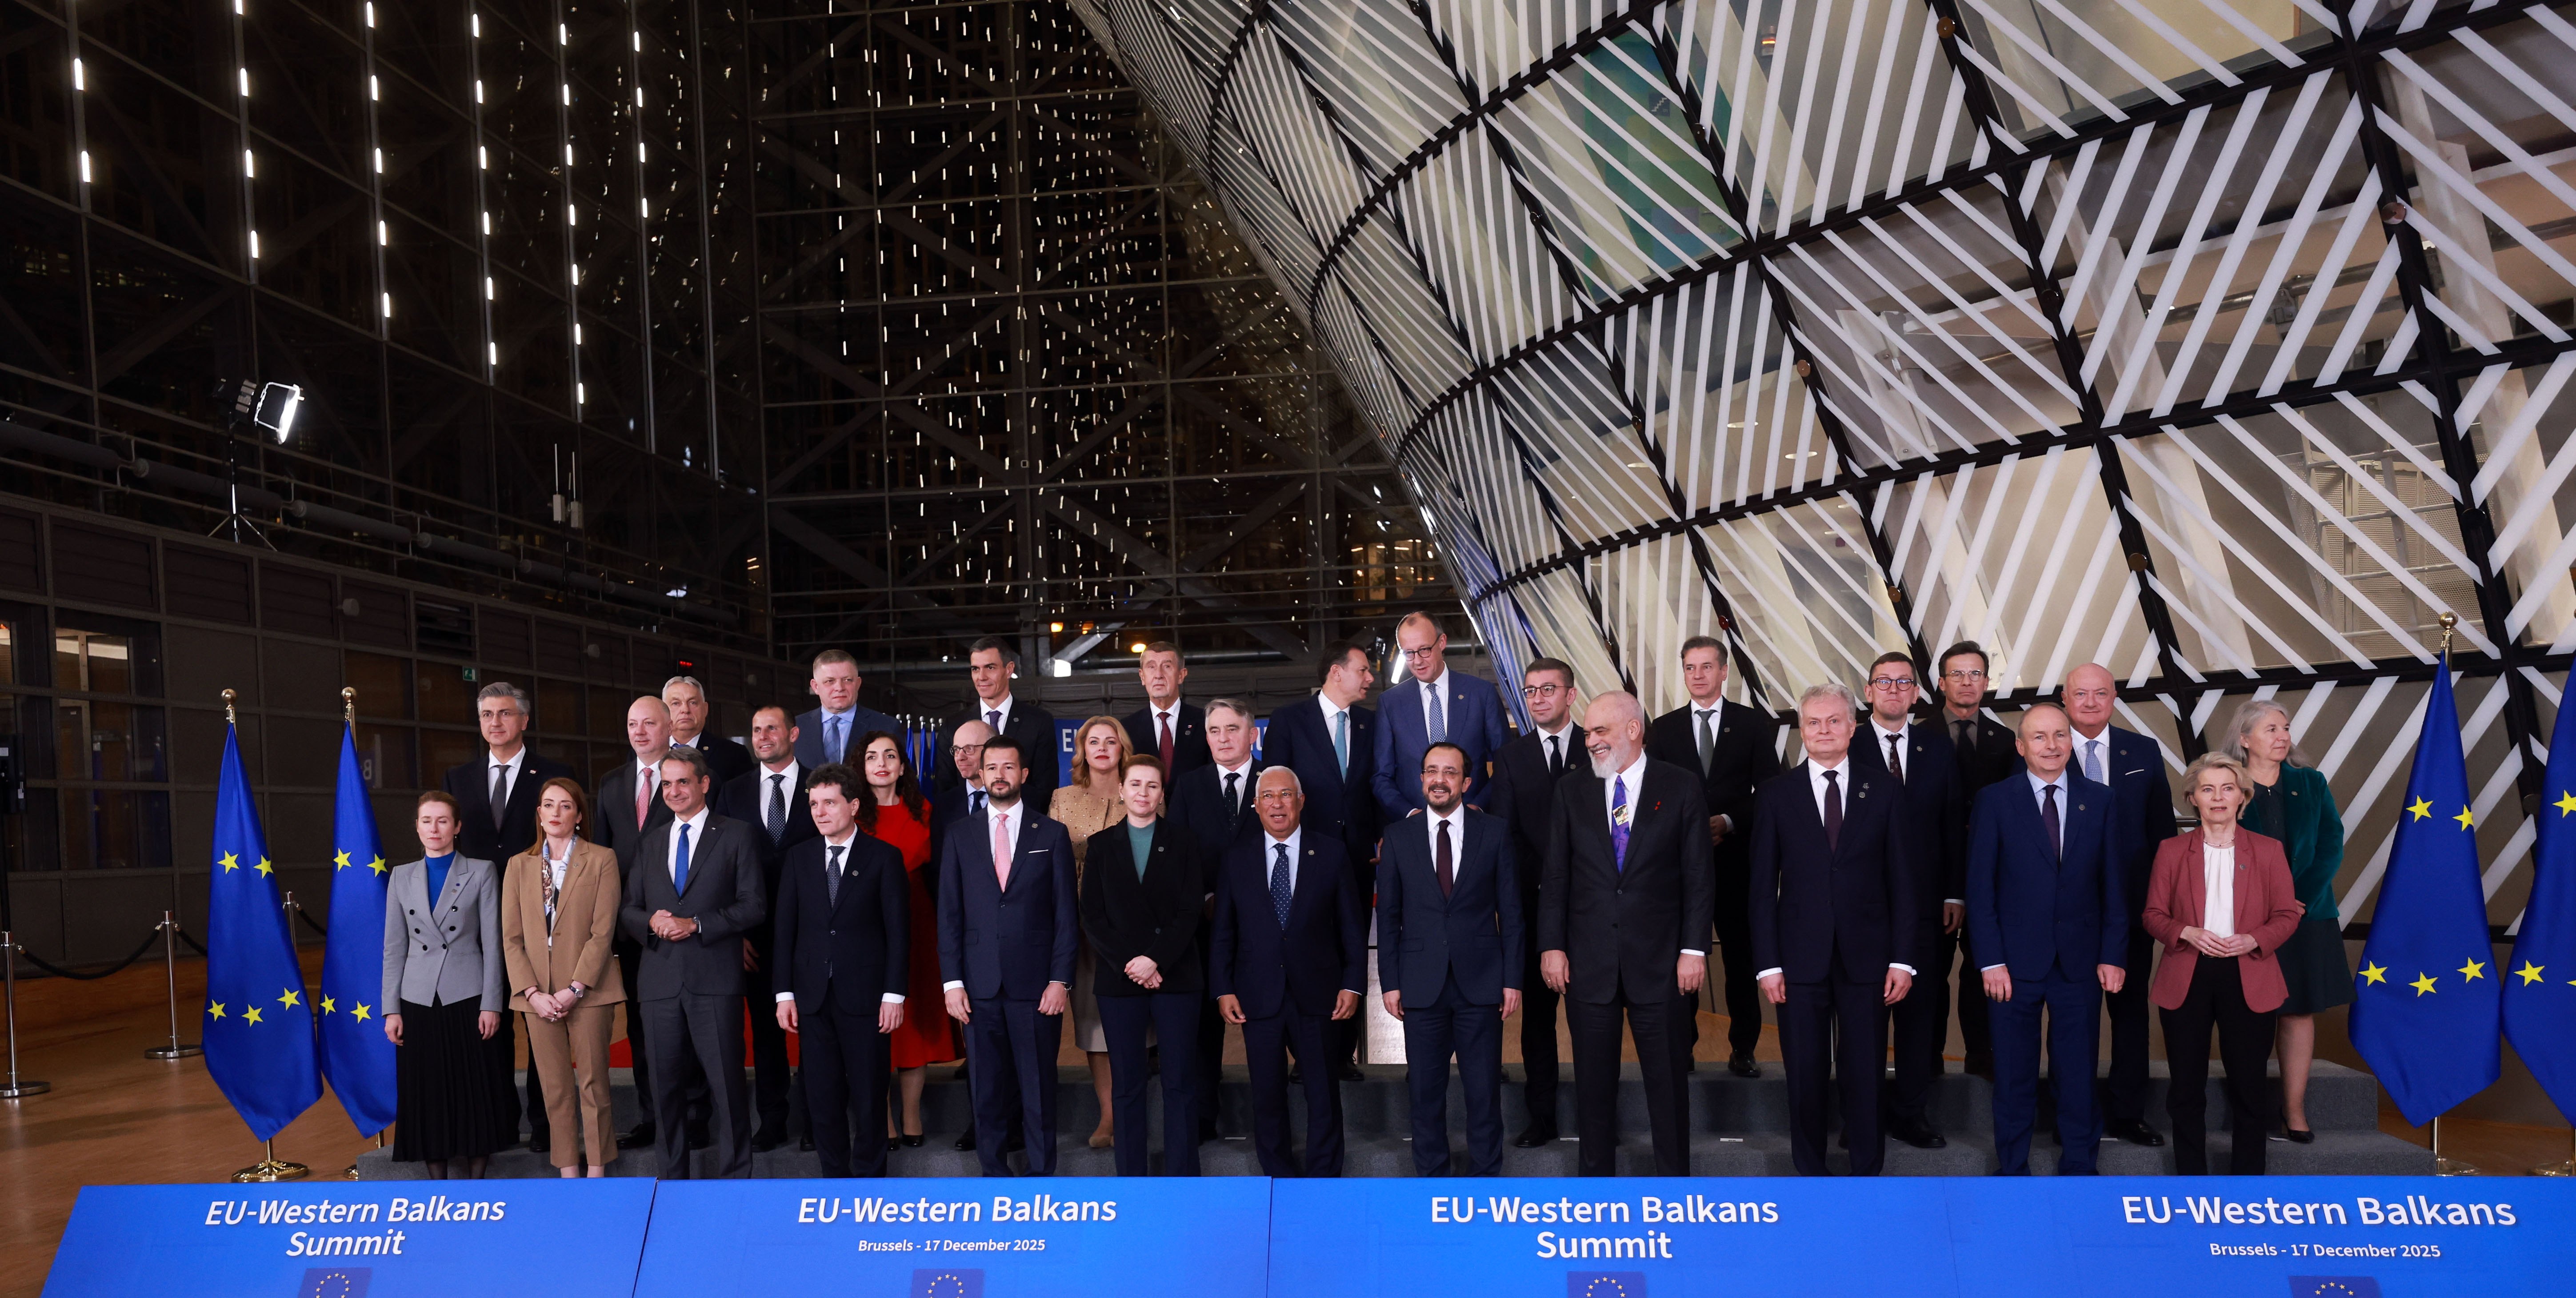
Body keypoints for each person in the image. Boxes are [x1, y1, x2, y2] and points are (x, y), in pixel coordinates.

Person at [1539, 692, 1713, 1177]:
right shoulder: (1571, 790)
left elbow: (1699, 876)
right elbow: (1556, 876)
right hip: (1589, 964)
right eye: (1588, 733)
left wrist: (1694, 948)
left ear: (1634, 730)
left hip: (1662, 965)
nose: (1591, 741)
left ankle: (1675, 1190)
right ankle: (1596, 1193)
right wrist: (1552, 945)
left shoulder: (1680, 786)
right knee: (1593, 1089)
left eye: (1601, 731)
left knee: (1668, 1086)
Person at [1748, 683, 1918, 1176]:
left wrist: (1903, 959)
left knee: (1865, 1071)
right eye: (1814, 722)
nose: (1824, 730)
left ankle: (1866, 1172)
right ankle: (1811, 1172)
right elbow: (1761, 887)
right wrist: (1768, 964)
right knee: (1804, 1071)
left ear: (1852, 727)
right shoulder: (1776, 794)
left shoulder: (1884, 789)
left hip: (1870, 958)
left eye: (1834, 721)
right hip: (1797, 959)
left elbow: (1905, 881)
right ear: (1802, 730)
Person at [1965, 703, 2127, 1176]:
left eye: (2060, 735)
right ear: (2021, 746)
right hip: (2011, 965)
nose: (2051, 745)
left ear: (2071, 743)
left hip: (2081, 961)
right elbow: (1980, 888)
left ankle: (2079, 1164)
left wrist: (2113, 953)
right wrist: (1990, 960)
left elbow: (2115, 885)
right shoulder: (1995, 800)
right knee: (2013, 1072)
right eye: (2039, 737)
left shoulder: (2101, 800)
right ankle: (2012, 1166)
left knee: (2077, 1072)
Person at [2141, 753, 2302, 1176]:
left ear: (2242, 797)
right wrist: (2186, 932)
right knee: (2186, 1089)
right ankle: (2192, 1181)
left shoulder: (2268, 850)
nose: (2218, 797)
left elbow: (2287, 914)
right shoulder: (2172, 850)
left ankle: (2246, 1185)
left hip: (2250, 972)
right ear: (2193, 798)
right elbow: (2152, 915)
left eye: (2227, 788)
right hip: (2187, 974)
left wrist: (2255, 939)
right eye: (2208, 789)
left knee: (2250, 1087)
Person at [619, 745, 768, 1178]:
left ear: (704, 783)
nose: (674, 791)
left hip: (715, 979)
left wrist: (697, 923)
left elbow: (754, 905)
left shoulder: (737, 834)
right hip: (659, 982)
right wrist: (651, 920)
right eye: (667, 783)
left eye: (683, 781)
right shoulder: (650, 842)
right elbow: (628, 909)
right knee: (665, 1091)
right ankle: (672, 1182)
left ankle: (735, 1181)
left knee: (727, 1087)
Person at [1212, 768, 1366, 1177]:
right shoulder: (1237, 858)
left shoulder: (1331, 853)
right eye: (1268, 796)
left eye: (1285, 794)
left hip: (1319, 994)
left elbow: (1352, 928)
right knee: (1267, 1094)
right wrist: (1223, 988)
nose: (1277, 803)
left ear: (1301, 801)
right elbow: (1224, 931)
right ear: (1255, 805)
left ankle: (1322, 1177)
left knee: (1323, 1092)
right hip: (1257, 995)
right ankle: (1278, 1176)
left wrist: (1353, 983)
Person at [440, 681, 572, 1154]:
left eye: (504, 713)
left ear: (524, 720)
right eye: (486, 714)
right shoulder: (458, 777)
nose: (495, 722)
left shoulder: (554, 774)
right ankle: (497, 1123)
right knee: (489, 1023)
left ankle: (544, 1124)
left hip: (539, 916)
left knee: (541, 1026)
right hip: (477, 922)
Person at [937, 734, 1078, 1177]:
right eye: (992, 767)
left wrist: (1060, 980)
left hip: (1036, 987)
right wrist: (952, 982)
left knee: (1038, 1088)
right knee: (986, 1089)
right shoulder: (959, 834)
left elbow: (1065, 915)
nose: (1000, 775)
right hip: (977, 986)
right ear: (981, 774)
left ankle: (1041, 1175)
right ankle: (993, 1174)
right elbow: (949, 914)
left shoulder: (1051, 833)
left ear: (1025, 774)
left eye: (1009, 766)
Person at [1379, 743, 1521, 1176]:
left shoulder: (1494, 832)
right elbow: (1388, 916)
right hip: (1421, 984)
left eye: (1450, 772)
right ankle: (1432, 1181)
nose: (1439, 780)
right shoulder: (1397, 837)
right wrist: (1390, 982)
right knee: (1425, 1093)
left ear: (1466, 781)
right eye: (1431, 771)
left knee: (1483, 1093)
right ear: (1422, 779)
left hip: (1482, 982)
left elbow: (1512, 912)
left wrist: (1512, 979)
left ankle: (1485, 1179)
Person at [1644, 634, 1780, 1078]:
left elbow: (1771, 791)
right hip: (1679, 870)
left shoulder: (1753, 724)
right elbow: (1652, 795)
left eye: (1707, 666)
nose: (1698, 675)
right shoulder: (1663, 728)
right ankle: (1682, 1047)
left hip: (1738, 864)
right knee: (1682, 959)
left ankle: (1744, 1048)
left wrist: (1730, 819)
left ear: (1724, 672)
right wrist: (1686, 827)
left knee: (1741, 961)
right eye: (1690, 667)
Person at [1847, 651, 1963, 1150]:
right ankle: (1862, 1117)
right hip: (1862, 909)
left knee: (1919, 1017)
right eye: (1884, 681)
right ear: (1868, 692)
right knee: (1863, 1020)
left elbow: (1953, 823)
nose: (1893, 689)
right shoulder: (1847, 744)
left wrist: (1954, 890)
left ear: (1916, 694)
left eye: (1903, 682)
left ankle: (1912, 1113)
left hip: (1926, 907)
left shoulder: (1937, 748)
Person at [772, 763, 910, 1178]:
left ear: (853, 806)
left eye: (829, 803)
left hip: (867, 997)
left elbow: (899, 933)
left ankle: (869, 1180)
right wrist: (784, 993)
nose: (820, 812)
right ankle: (834, 1179)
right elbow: (785, 930)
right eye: (814, 803)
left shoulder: (884, 857)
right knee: (822, 1095)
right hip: (812, 997)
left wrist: (894, 995)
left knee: (869, 1094)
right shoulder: (798, 858)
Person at [2061, 662, 2177, 1150]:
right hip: (2066, 914)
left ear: (2113, 698)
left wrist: (2160, 903)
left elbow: (2163, 836)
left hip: (2130, 911)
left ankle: (2129, 1114)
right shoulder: (2043, 747)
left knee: (2130, 1016)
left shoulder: (2143, 751)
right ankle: (2075, 1115)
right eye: (2081, 693)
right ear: (2065, 698)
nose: (2090, 702)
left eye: (2101, 693)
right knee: (2074, 1018)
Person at [2224, 698, 2348, 1144]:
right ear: (2245, 739)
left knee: (2298, 1011)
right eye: (2271, 729)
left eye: (2286, 727)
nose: (2283, 736)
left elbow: (2331, 844)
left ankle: (2293, 1110)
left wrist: (2294, 903)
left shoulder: (2310, 782)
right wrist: (2268, 908)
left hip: (2307, 915)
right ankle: (2249, 1112)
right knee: (2251, 1014)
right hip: (2248, 919)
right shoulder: (2227, 785)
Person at [1080, 754, 1205, 1176]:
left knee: (1180, 1082)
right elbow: (1092, 915)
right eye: (1135, 784)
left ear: (1162, 793)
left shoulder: (1185, 841)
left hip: (1176, 974)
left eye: (1152, 785)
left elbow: (1190, 910)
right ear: (1121, 790)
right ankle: (1131, 1178)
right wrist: (1131, 962)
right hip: (1121, 979)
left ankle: (1182, 1176)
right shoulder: (1101, 845)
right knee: (1127, 1084)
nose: (1143, 793)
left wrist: (1155, 959)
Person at [499, 778, 624, 1177]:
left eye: (566, 805)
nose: (556, 812)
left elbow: (603, 932)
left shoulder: (601, 859)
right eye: (549, 805)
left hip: (589, 991)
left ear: (579, 815)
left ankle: (597, 1171)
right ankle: (569, 1172)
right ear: (539, 814)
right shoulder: (518, 865)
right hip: (537, 995)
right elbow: (511, 937)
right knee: (554, 1088)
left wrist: (575, 988)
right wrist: (532, 992)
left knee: (593, 1085)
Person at [381, 791, 508, 1179]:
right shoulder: (401, 875)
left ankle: (475, 1184)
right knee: (427, 1090)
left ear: (457, 827)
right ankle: (439, 1184)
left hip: (467, 993)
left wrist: (492, 1002)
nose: (434, 828)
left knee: (473, 1087)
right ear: (417, 827)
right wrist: (391, 1009)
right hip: (417, 997)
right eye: (426, 820)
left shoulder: (481, 871)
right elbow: (394, 947)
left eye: (442, 821)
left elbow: (494, 942)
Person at [1483, 656, 1580, 1148]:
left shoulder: (1596, 745)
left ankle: (1598, 1118)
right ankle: (1541, 1118)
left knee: (1592, 1022)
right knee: (1537, 1024)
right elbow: (1504, 835)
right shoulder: (1512, 756)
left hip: (1590, 910)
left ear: (1571, 695)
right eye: (1530, 690)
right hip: (1531, 908)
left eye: (1548, 689)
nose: (1538, 698)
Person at [716, 705, 816, 1152]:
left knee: (816, 1029)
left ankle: (816, 1120)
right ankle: (773, 1120)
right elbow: (718, 867)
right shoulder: (733, 791)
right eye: (756, 730)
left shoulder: (819, 785)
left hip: (812, 933)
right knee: (766, 1032)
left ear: (793, 733)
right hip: (753, 936)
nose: (762, 736)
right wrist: (733, 933)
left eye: (772, 728)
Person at [1170, 697, 1273, 1119]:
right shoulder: (1189, 785)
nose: (1223, 738)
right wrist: (1205, 899)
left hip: (1266, 927)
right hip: (1204, 926)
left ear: (1253, 735)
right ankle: (1203, 1120)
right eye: (1214, 730)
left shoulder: (1274, 781)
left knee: (1267, 1029)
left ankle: (1271, 1123)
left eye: (1232, 729)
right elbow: (1177, 855)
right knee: (1203, 1029)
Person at [855, 731, 955, 1151]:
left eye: (890, 756)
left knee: (914, 1026)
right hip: (866, 928)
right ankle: (884, 1119)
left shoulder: (925, 811)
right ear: (861, 766)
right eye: (872, 757)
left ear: (901, 766)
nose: (881, 764)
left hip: (919, 926)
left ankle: (911, 1114)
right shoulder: (852, 813)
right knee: (877, 1029)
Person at [592, 695, 680, 1150]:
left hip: (680, 925)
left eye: (649, 723)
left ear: (670, 727)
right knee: (642, 1028)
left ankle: (693, 1117)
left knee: (684, 1026)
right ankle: (651, 1118)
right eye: (632, 724)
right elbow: (601, 859)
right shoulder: (611, 783)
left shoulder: (689, 775)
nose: (640, 732)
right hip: (630, 928)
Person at [1050, 715, 1133, 1150]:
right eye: (1093, 741)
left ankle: (1131, 1109)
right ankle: (1108, 1114)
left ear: (1123, 748)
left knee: (1133, 1024)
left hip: (1133, 930)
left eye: (1110, 740)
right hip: (1083, 927)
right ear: (1081, 750)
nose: (1102, 747)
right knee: (1093, 1022)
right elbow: (1052, 866)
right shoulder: (1062, 798)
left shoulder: (1142, 791)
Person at [1936, 640, 2016, 1078]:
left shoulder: (2007, 741)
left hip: (1992, 874)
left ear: (1986, 683)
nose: (1967, 682)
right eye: (1958, 674)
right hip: (1932, 875)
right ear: (1941, 683)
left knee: (1983, 965)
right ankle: (1928, 1057)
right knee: (1930, 971)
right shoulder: (1918, 737)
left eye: (1975, 674)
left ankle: (1980, 1055)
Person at [1373, 613, 1509, 819]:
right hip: (1416, 827)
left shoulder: (1481, 694)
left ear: (1442, 642)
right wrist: (1410, 814)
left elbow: (1506, 765)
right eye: (1409, 653)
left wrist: (1478, 807)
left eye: (1424, 650)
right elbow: (1382, 776)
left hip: (1473, 824)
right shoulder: (1390, 703)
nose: (1417, 661)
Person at [1260, 640, 1381, 870]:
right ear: (1337, 672)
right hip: (1307, 850)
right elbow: (1274, 784)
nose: (1370, 678)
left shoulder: (1370, 722)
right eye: (1362, 671)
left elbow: (1376, 784)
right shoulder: (1289, 720)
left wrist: (1383, 834)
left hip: (1360, 853)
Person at [939, 636, 1058, 815]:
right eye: (975, 669)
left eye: (990, 668)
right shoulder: (953, 725)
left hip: (1022, 824)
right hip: (967, 826)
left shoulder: (1039, 722)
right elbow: (945, 791)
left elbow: (1045, 789)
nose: (981, 677)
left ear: (1009, 670)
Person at [795, 648, 902, 769]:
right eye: (830, 681)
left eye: (847, 680)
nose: (840, 688)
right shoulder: (796, 727)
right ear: (815, 687)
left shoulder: (887, 727)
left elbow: (904, 776)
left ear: (858, 684)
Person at [1122, 642, 1210, 775]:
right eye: (1151, 667)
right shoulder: (1126, 728)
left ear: (1181, 675)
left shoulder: (1205, 722)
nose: (1159, 675)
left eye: (1167, 667)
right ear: (1142, 676)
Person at [664, 675, 755, 785]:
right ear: (664, 711)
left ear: (705, 709)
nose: (685, 710)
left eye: (693, 703)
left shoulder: (734, 754)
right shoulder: (651, 751)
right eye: (676, 703)